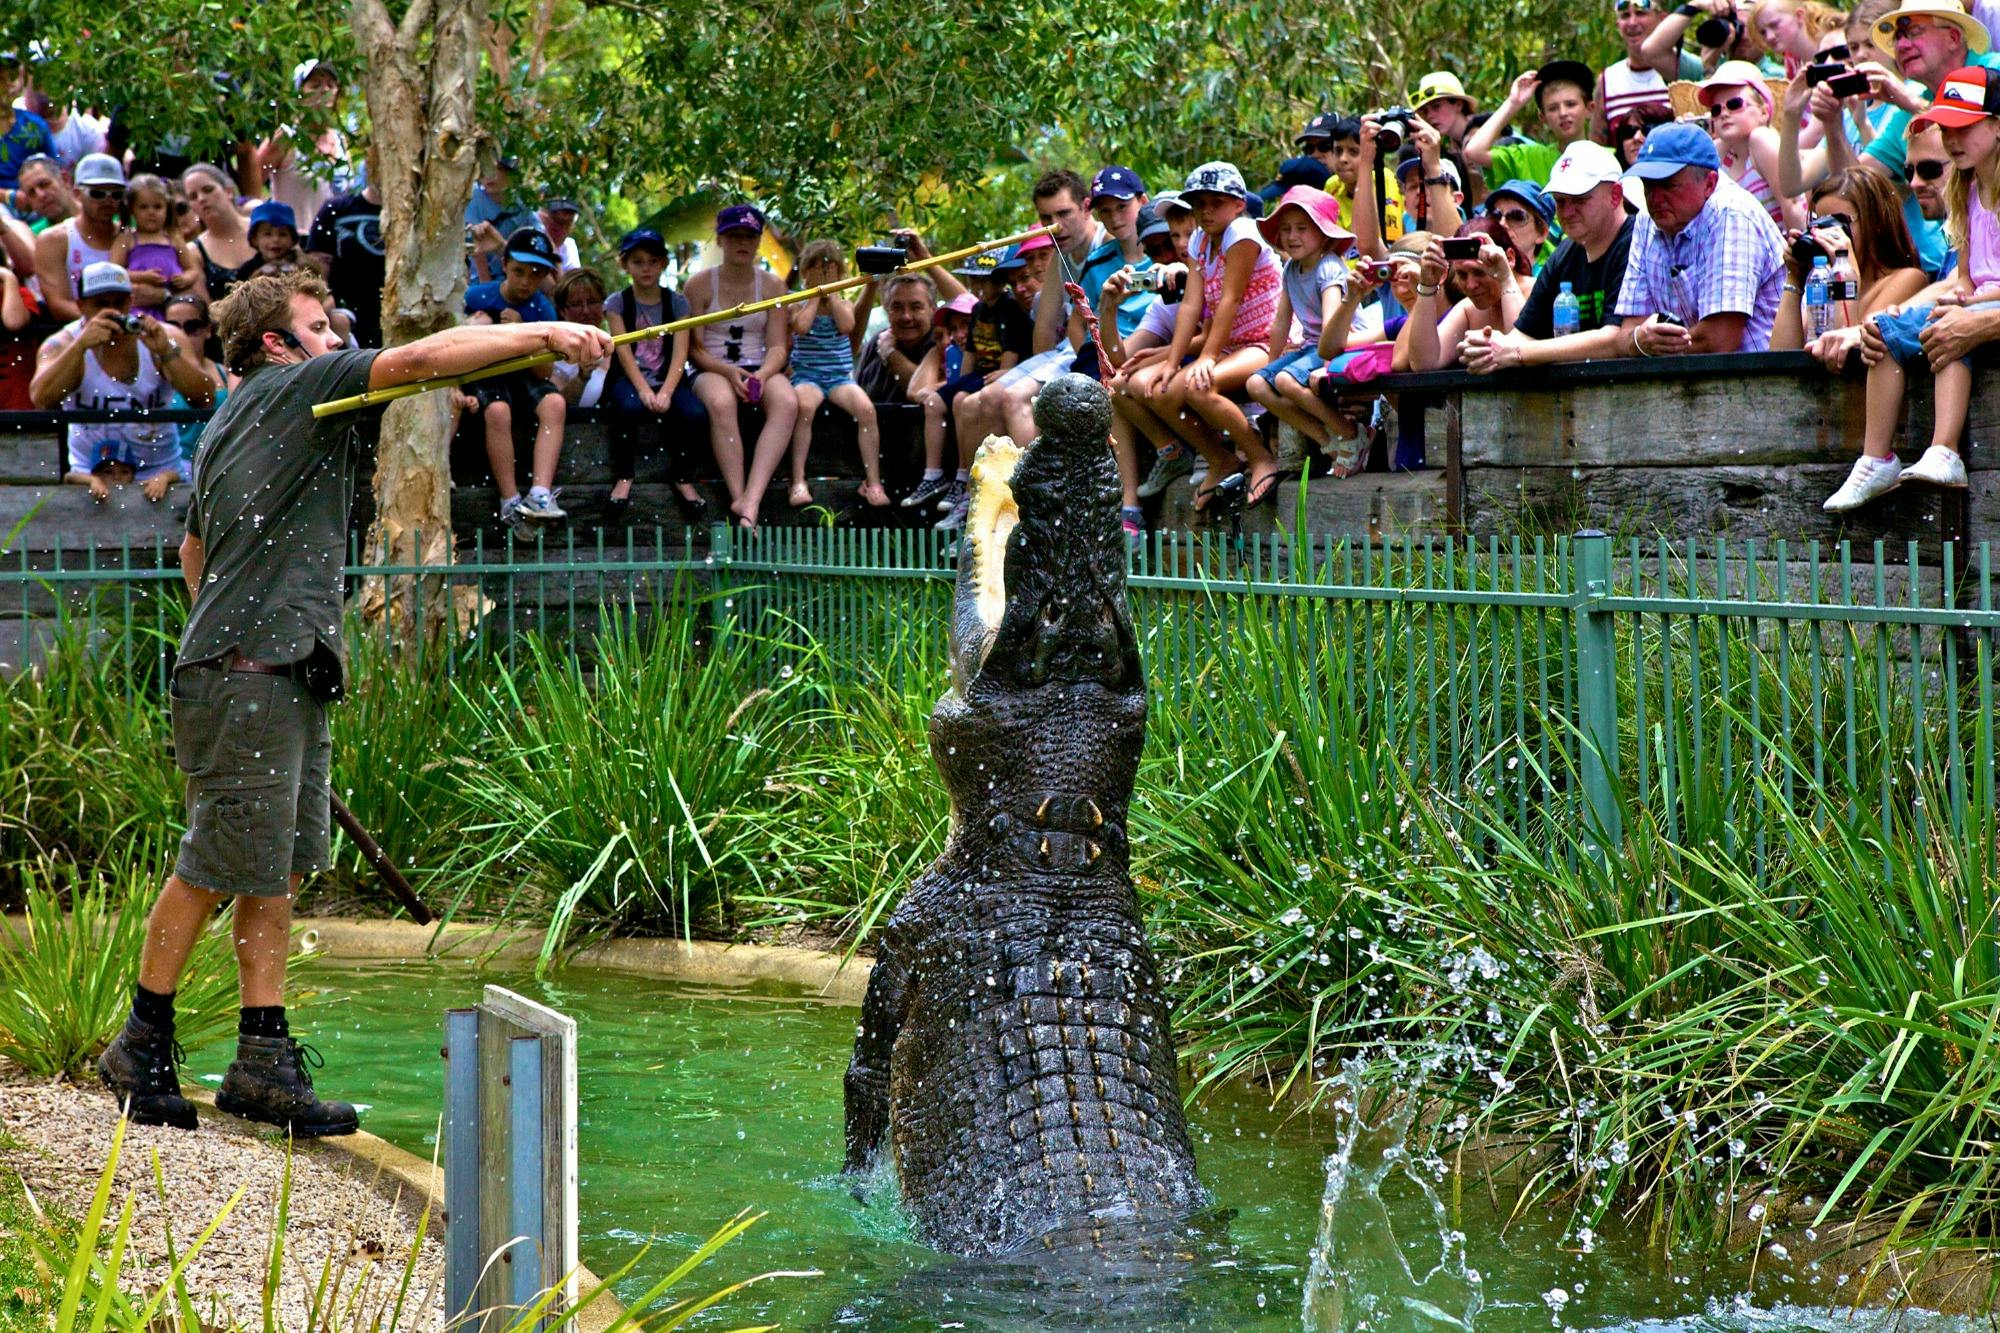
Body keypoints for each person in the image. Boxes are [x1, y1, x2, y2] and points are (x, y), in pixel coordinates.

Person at [96, 266, 611, 1136]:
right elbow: (422, 361)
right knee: (215, 858)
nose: (337, 340)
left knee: (276, 864)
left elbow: (194, 550)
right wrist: (545, 336)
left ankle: (261, 1058)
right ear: (278, 343)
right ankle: (140, 1041)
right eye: (322, 327)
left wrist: (235, 630)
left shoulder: (233, 420)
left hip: (273, 670)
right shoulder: (297, 385)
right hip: (250, 674)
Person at [1827, 63, 2000, 509]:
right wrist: (1961, 291)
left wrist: (1973, 302)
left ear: (1997, 127)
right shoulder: (1965, 189)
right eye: (1947, 128)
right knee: (1882, 329)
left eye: (1965, 127)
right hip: (1977, 302)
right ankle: (1876, 458)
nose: (1953, 139)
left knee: (1950, 325)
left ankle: (1945, 449)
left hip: (1991, 309)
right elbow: (1965, 272)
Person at [1157, 162, 1285, 515]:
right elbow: (1192, 304)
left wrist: (1207, 358)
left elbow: (1230, 298)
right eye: (1199, 204)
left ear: (1239, 203)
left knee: (1200, 387)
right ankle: (1221, 459)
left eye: (1216, 202)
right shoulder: (1199, 238)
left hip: (1267, 342)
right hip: (1233, 345)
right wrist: (1171, 363)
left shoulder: (1242, 233)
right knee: (1164, 392)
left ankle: (1261, 458)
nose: (1206, 210)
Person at [31, 262, 215, 503]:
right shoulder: (62, 344)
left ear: (131, 301)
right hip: (92, 480)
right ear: (80, 305)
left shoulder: (165, 336)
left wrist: (166, 353)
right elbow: (41, 399)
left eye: (119, 302)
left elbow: (205, 398)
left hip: (160, 478)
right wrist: (80, 347)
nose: (112, 312)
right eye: (100, 304)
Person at [1461, 142, 1642, 370]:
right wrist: (1487, 349)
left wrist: (1517, 352)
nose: (1567, 212)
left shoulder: (1638, 242)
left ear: (1615, 195)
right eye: (1560, 201)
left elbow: (1615, 338)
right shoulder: (1564, 254)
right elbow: (1525, 334)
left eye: (1579, 199)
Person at [1613, 123, 1791, 351]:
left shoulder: (1732, 213)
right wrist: (1639, 340)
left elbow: (1719, 339)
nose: (1655, 198)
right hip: (1692, 378)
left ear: (1709, 183)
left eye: (1668, 185)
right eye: (1648, 186)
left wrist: (1649, 345)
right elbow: (1627, 333)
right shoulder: (1647, 218)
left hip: (1766, 378)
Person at [686, 203, 795, 529]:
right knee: (720, 401)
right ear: (720, 240)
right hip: (712, 367)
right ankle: (739, 498)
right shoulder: (699, 285)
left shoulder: (774, 286)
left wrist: (762, 373)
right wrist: (728, 372)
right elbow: (696, 348)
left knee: (787, 402)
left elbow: (777, 345)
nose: (742, 243)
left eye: (749, 236)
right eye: (733, 236)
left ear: (759, 239)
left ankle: (752, 497)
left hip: (758, 365)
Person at [1245, 186, 1364, 470]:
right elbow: (1281, 322)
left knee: (1286, 381)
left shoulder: (1330, 267)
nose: (1292, 236)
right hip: (1311, 345)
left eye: (1302, 228)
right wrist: (1272, 364)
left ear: (1323, 234)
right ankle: (1327, 439)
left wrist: (1325, 362)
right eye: (1285, 229)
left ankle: (1349, 433)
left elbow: (1333, 325)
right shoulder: (1291, 270)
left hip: (1342, 343)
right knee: (1257, 384)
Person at [459, 226, 570, 526]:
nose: (525, 281)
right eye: (519, 271)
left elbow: (544, 371)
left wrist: (523, 333)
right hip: (487, 373)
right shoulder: (476, 296)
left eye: (535, 274)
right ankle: (509, 500)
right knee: (497, 410)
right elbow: (455, 345)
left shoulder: (542, 309)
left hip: (525, 374)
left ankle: (540, 493)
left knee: (555, 404)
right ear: (505, 264)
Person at [913, 251, 1031, 525]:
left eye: (985, 282)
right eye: (973, 281)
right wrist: (953, 387)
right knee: (937, 402)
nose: (979, 288)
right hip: (979, 372)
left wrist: (997, 377)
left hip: (1001, 372)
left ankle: (964, 478)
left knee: (962, 403)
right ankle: (934, 475)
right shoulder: (977, 310)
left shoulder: (1010, 308)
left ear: (999, 281)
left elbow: (1010, 356)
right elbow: (970, 354)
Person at [1773, 167, 1929, 363]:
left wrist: (1844, 274)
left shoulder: (1909, 279)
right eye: (1820, 224)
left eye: (1839, 223)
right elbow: (1778, 358)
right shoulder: (1824, 285)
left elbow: (1846, 355)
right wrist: (1794, 278)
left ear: (1875, 222)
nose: (1827, 234)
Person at [602, 228, 706, 522]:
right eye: (637, 261)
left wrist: (666, 392)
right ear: (625, 264)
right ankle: (624, 476)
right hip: (630, 378)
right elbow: (623, 353)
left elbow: (680, 353)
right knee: (628, 407)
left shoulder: (677, 304)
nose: (645, 268)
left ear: (663, 263)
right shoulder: (617, 304)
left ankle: (683, 476)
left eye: (652, 261)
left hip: (669, 378)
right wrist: (645, 390)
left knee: (694, 414)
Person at [784, 241, 888, 510]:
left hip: (839, 377)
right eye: (818, 269)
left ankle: (873, 481)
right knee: (803, 406)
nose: (825, 275)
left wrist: (831, 294)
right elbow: (802, 327)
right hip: (808, 375)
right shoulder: (796, 303)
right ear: (805, 272)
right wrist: (814, 295)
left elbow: (847, 326)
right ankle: (797, 480)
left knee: (866, 410)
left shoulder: (843, 303)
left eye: (831, 270)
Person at [35, 153, 151, 324]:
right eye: (98, 193)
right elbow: (59, 305)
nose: (108, 200)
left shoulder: (132, 236)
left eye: (116, 194)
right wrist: (112, 321)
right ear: (77, 193)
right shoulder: (55, 240)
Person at [1408, 219, 1533, 369]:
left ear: (1510, 258)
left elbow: (1520, 349)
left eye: (1479, 272)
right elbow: (1423, 363)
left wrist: (1506, 278)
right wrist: (1427, 285)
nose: (1470, 285)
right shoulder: (1468, 310)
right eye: (1462, 274)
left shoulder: (1539, 293)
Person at [1702, 61, 1808, 228]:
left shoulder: (1762, 140)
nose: (1723, 114)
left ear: (1764, 112)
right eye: (1716, 110)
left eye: (1734, 104)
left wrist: (1798, 252)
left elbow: (1792, 204)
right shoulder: (1720, 152)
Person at [1464, 61, 1598, 190]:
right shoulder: (1529, 158)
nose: (1563, 113)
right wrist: (1513, 103)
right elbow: (1474, 151)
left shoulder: (1609, 158)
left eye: (1571, 104)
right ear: (1543, 117)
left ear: (1589, 109)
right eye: (1553, 108)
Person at [256, 60, 353, 228]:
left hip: (335, 248)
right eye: (315, 86)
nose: (324, 90)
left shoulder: (341, 141)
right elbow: (251, 184)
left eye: (331, 85)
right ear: (300, 93)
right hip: (296, 245)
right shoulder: (285, 138)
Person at [1597, 0, 1708, 140]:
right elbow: (1599, 147)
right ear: (1618, 24)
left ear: (1663, 19)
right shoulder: (1608, 80)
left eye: (1640, 13)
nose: (1632, 22)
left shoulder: (1686, 69)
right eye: (1625, 15)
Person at [306, 166, 386, 347]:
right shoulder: (336, 209)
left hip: (401, 313)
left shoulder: (418, 213)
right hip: (348, 318)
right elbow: (314, 273)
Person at [1299, 113, 1409, 239]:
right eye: (1338, 151)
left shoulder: (1384, 179)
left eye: (1354, 152)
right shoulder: (1332, 186)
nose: (1343, 159)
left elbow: (1391, 239)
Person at [110, 174, 204, 316]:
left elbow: (192, 270)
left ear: (167, 207)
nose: (151, 212)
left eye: (158, 207)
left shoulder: (173, 238)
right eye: (143, 207)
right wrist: (142, 277)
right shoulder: (127, 239)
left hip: (172, 306)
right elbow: (114, 274)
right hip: (138, 306)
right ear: (132, 210)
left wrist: (185, 279)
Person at [161, 291, 229, 461]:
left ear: (207, 330)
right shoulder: (156, 376)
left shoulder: (228, 374)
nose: (182, 333)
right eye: (173, 326)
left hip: (218, 464)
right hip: (173, 471)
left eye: (192, 327)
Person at [853, 271, 939, 405]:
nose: (906, 316)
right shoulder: (876, 342)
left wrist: (890, 354)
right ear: (887, 311)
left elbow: (925, 392)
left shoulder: (942, 344)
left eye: (915, 307)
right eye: (897, 307)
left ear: (933, 310)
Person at [182, 162, 257, 302]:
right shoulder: (194, 251)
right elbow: (206, 307)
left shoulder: (261, 228)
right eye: (193, 197)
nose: (201, 199)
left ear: (228, 191)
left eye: (208, 189)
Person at [465, 156, 538, 283]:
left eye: (498, 169)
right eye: (485, 169)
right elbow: (475, 248)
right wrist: (486, 289)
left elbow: (538, 236)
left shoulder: (522, 206)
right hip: (480, 279)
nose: (489, 175)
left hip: (517, 277)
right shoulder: (474, 199)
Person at [1754, 0, 1850, 76]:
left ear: (1799, 15)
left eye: (1774, 25)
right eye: (1763, 32)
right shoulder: (1792, 60)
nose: (1769, 37)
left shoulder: (1836, 41)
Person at [1486, 178, 1557, 269]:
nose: (1502, 223)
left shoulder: (1555, 276)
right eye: (1495, 215)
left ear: (1542, 233)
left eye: (1517, 216)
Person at [236, 201, 307, 283]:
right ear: (254, 239)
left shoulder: (302, 267)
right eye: (268, 234)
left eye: (283, 234)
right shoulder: (247, 271)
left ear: (292, 240)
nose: (275, 239)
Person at [1412, 72, 1481, 151]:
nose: (1429, 116)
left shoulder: (1485, 135)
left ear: (1458, 105)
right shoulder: (1453, 148)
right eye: (1426, 111)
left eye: (1436, 106)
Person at [0, 90, 54, 190]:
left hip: (33, 193)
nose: (9, 86)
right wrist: (7, 196)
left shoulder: (34, 124)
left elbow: (54, 168)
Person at [539, 194, 583, 273]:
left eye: (567, 223)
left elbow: (572, 281)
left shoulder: (569, 246)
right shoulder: (535, 235)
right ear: (544, 218)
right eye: (557, 221)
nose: (561, 229)